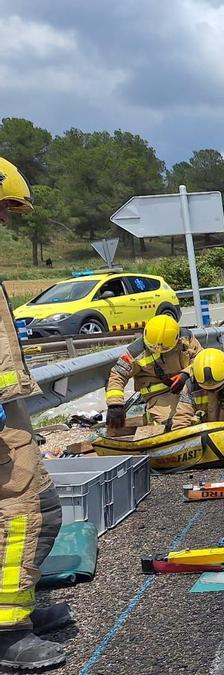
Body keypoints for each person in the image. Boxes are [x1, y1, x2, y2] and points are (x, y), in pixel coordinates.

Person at [0, 156, 73, 670]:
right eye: (1, 207)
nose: (5, 220)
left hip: (9, 416)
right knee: (23, 520)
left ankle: (19, 609)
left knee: (41, 510)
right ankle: (7, 632)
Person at [105, 315, 202, 431]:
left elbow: (201, 360)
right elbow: (118, 375)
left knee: (205, 414)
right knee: (174, 425)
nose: (158, 350)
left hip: (188, 388)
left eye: (165, 348)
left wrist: (186, 374)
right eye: (153, 347)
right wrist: (115, 405)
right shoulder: (135, 352)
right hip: (159, 397)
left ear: (177, 338)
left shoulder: (186, 339)